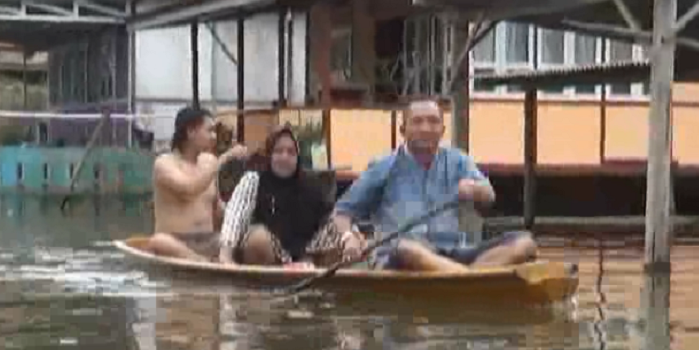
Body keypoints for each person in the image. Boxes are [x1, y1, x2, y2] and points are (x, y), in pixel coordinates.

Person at [332, 98, 537, 272]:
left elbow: (489, 196)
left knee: (524, 243)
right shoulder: (383, 166)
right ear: (403, 129)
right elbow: (342, 213)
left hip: (454, 253)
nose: (426, 128)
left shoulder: (458, 161)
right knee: (407, 249)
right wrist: (349, 237)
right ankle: (471, 279)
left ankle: (462, 278)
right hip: (404, 257)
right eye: (417, 122)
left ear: (442, 129)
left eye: (433, 122)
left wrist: (476, 191)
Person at [218, 124, 342, 268]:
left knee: (340, 231)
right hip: (270, 256)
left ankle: (319, 280)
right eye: (278, 151)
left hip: (307, 258)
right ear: (269, 155)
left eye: (291, 152)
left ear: (297, 156)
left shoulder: (311, 185)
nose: (285, 157)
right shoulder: (254, 180)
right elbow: (234, 217)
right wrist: (226, 255)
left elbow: (329, 218)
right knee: (258, 238)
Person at [144, 106, 248, 260]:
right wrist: (225, 158)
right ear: (190, 132)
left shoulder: (209, 161)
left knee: (250, 239)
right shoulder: (164, 163)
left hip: (209, 240)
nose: (214, 136)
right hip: (175, 242)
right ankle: (199, 260)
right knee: (158, 242)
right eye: (209, 131)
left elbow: (217, 209)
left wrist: (241, 214)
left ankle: (219, 260)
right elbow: (189, 189)